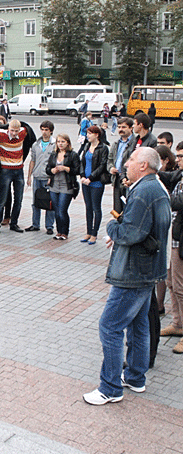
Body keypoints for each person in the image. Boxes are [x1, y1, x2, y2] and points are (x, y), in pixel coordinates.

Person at [83, 147, 170, 405]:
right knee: (139, 324)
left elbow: (131, 232)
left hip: (134, 271)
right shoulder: (155, 187)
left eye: (131, 159)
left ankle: (110, 388)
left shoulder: (144, 191)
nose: (126, 163)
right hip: (147, 269)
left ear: (144, 165)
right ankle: (135, 377)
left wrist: (112, 226)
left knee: (109, 326)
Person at [0, 119, 31, 235]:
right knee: (2, 199)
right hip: (5, 170)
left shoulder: (23, 132)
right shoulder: (0, 134)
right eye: (12, 130)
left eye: (16, 131)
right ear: (8, 129)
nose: (14, 133)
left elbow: (29, 130)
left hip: (19, 170)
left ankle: (14, 223)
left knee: (19, 199)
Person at [161, 146, 183, 354]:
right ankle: (177, 323)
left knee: (181, 287)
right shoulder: (180, 175)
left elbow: (178, 202)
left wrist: (161, 194)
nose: (178, 160)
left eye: (182, 156)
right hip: (173, 237)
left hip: (180, 240)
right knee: (171, 283)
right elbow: (168, 175)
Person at [45, 134, 80, 241]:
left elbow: (77, 170)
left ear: (68, 143)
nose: (60, 144)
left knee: (62, 210)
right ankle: (59, 231)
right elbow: (47, 168)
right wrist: (52, 171)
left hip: (67, 185)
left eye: (63, 142)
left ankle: (65, 232)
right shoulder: (54, 154)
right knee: (56, 210)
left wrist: (65, 168)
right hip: (54, 185)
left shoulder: (73, 155)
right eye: (59, 142)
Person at [79, 125, 109, 245]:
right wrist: (82, 175)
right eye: (87, 133)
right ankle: (88, 231)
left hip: (96, 182)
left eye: (90, 133)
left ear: (97, 135)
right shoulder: (87, 146)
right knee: (88, 207)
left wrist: (91, 178)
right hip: (85, 181)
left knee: (96, 207)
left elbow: (102, 165)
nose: (88, 136)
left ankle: (94, 234)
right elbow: (82, 161)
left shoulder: (103, 148)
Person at [25, 121, 56, 235]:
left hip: (47, 176)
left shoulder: (54, 144)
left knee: (49, 202)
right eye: (42, 129)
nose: (44, 132)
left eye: (46, 130)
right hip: (37, 176)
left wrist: (52, 176)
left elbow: (56, 162)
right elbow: (32, 160)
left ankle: (49, 226)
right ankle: (35, 224)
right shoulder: (36, 144)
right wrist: (29, 176)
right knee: (36, 201)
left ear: (51, 131)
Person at [107, 117, 136, 213]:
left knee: (129, 208)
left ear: (131, 128)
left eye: (124, 127)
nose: (121, 129)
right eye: (119, 127)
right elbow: (110, 159)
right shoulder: (116, 143)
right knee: (117, 209)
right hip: (116, 179)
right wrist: (111, 168)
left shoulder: (135, 143)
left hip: (128, 180)